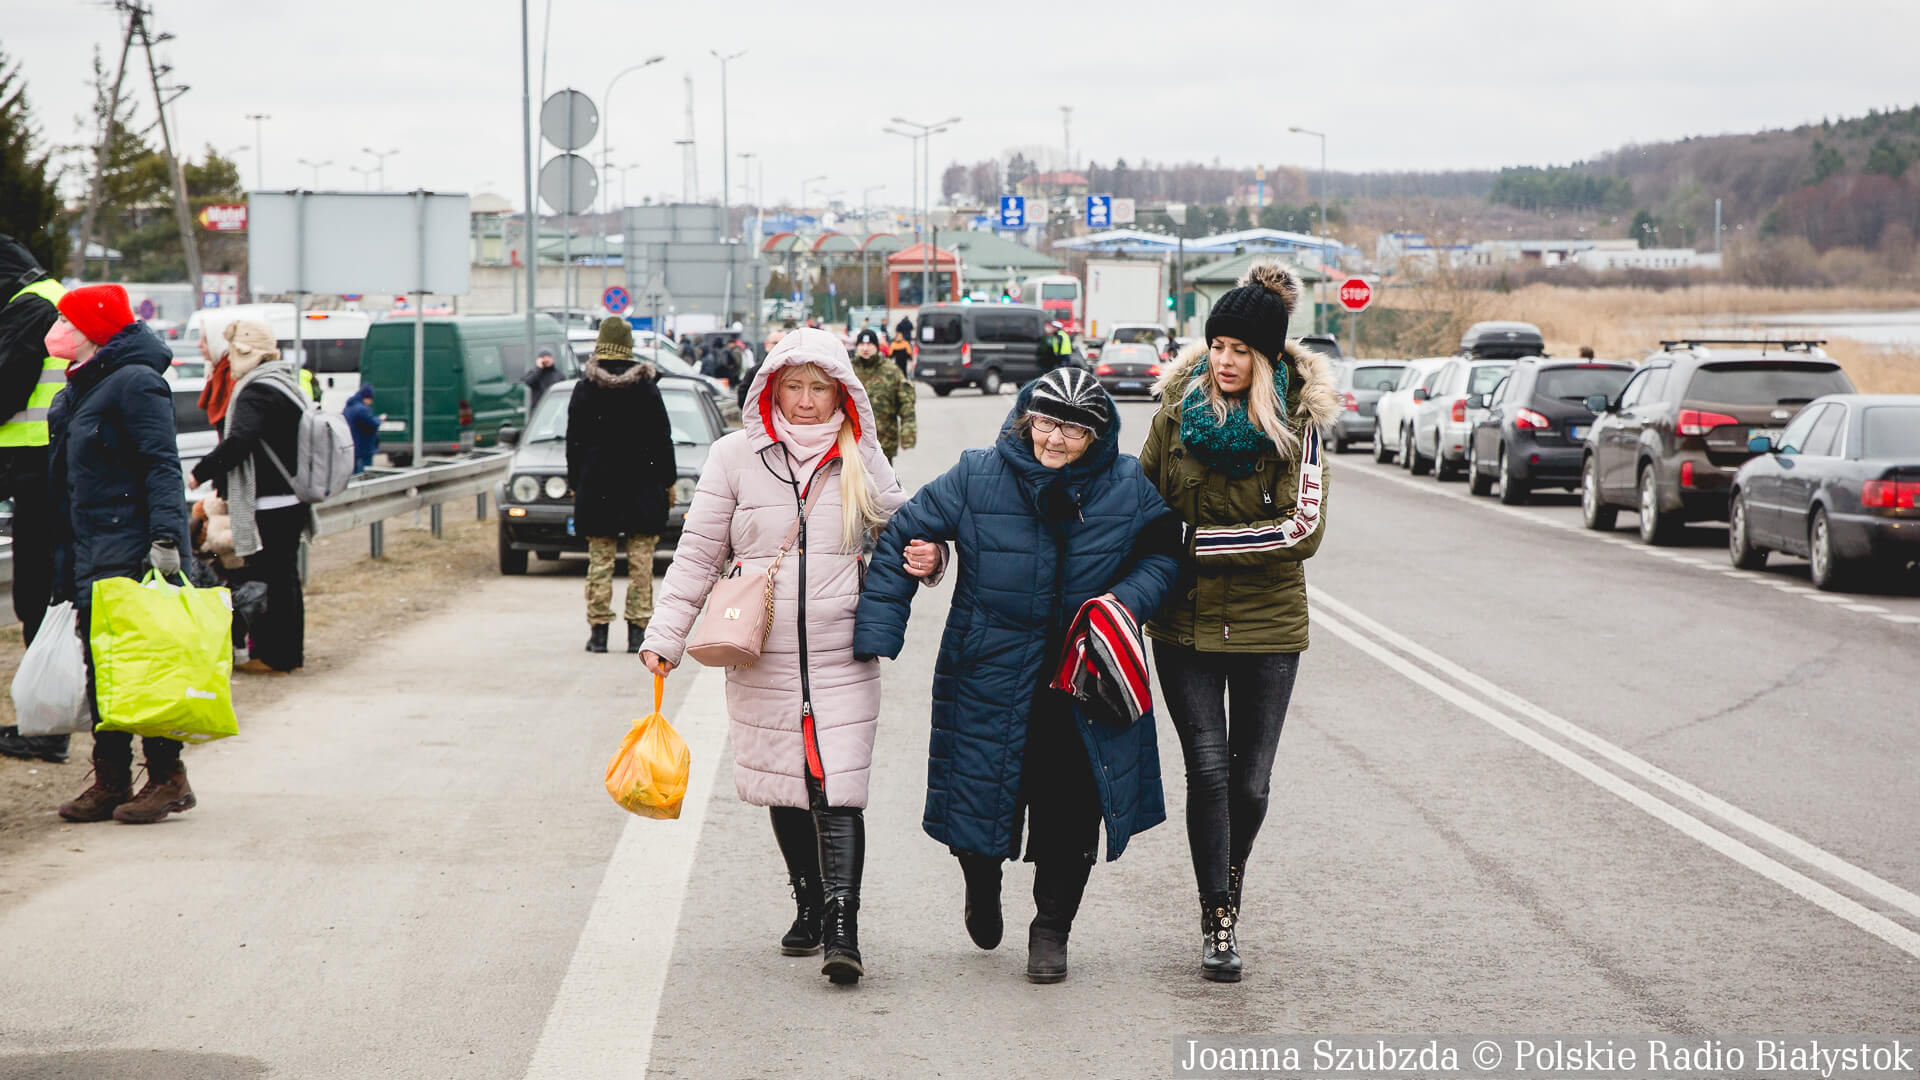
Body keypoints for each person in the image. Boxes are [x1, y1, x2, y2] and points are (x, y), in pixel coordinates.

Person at [855, 367, 1182, 984]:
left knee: (1073, 809)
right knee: (978, 798)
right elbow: (908, 531)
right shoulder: (979, 473)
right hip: (988, 669)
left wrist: (1125, 603)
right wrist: (879, 631)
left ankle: (1051, 929)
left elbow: (1165, 552)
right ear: (1026, 419)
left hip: (1084, 677)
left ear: (1099, 434)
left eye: (1075, 430)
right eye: (1047, 423)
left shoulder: (1125, 484)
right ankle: (981, 884)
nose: (1056, 440)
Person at [641, 327, 925, 987]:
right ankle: (807, 898)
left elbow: (909, 532)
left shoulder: (861, 454)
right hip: (759, 648)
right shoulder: (734, 457)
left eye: (817, 388)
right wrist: (665, 637)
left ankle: (842, 923)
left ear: (840, 393)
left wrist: (928, 559)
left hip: (841, 647)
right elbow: (698, 554)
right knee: (785, 779)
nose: (803, 401)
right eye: (792, 386)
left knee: (839, 784)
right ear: (769, 388)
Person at [1138, 261, 1340, 983]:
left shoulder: (1302, 422)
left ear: (1264, 358)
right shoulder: (1174, 412)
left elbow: (1301, 529)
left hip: (1269, 628)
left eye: (1239, 351)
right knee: (1209, 772)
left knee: (1251, 785)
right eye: (1217, 345)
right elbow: (1141, 507)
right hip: (1183, 626)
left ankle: (1231, 873)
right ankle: (1217, 914)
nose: (1224, 361)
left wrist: (1195, 545)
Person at [45, 285, 194, 823]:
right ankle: (111, 778)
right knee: (100, 664)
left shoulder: (135, 383)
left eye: (65, 319)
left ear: (93, 329)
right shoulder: (75, 392)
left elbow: (162, 465)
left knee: (141, 662)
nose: (56, 328)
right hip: (87, 546)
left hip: (130, 545)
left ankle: (167, 778)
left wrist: (167, 541)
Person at [190, 320, 313, 675]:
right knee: (284, 576)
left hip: (271, 501)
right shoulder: (283, 381)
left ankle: (276, 656)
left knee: (272, 578)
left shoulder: (257, 389)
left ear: (245, 351)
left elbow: (240, 442)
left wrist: (202, 470)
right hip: (288, 498)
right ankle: (286, 654)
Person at [567, 317, 677, 654]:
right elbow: (663, 440)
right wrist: (668, 482)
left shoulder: (585, 390)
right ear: (629, 346)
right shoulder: (647, 389)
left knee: (600, 563)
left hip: (597, 490)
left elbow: (574, 443)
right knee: (641, 565)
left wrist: (576, 483)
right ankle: (637, 633)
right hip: (642, 490)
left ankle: (598, 633)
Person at [0, 235, 68, 764]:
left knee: (36, 596)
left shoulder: (29, 308)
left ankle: (46, 727)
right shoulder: (53, 297)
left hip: (35, 469)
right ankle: (47, 720)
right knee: (47, 594)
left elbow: (5, 389)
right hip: (53, 468)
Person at [849, 328, 915, 462]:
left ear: (877, 347)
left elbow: (906, 403)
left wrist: (908, 433)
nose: (865, 348)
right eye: (862, 345)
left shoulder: (891, 371)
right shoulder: (848, 370)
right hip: (852, 440)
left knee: (882, 481)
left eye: (869, 345)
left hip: (884, 440)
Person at [343, 383, 381, 474]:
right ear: (366, 398)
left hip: (352, 446)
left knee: (353, 474)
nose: (371, 402)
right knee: (364, 473)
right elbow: (372, 423)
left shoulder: (348, 407)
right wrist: (379, 419)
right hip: (363, 447)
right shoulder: (361, 409)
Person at [521, 348, 562, 412]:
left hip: (554, 408)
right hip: (538, 410)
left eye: (548, 357)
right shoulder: (534, 373)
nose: (546, 359)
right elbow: (529, 382)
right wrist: (539, 368)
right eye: (543, 357)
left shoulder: (559, 374)